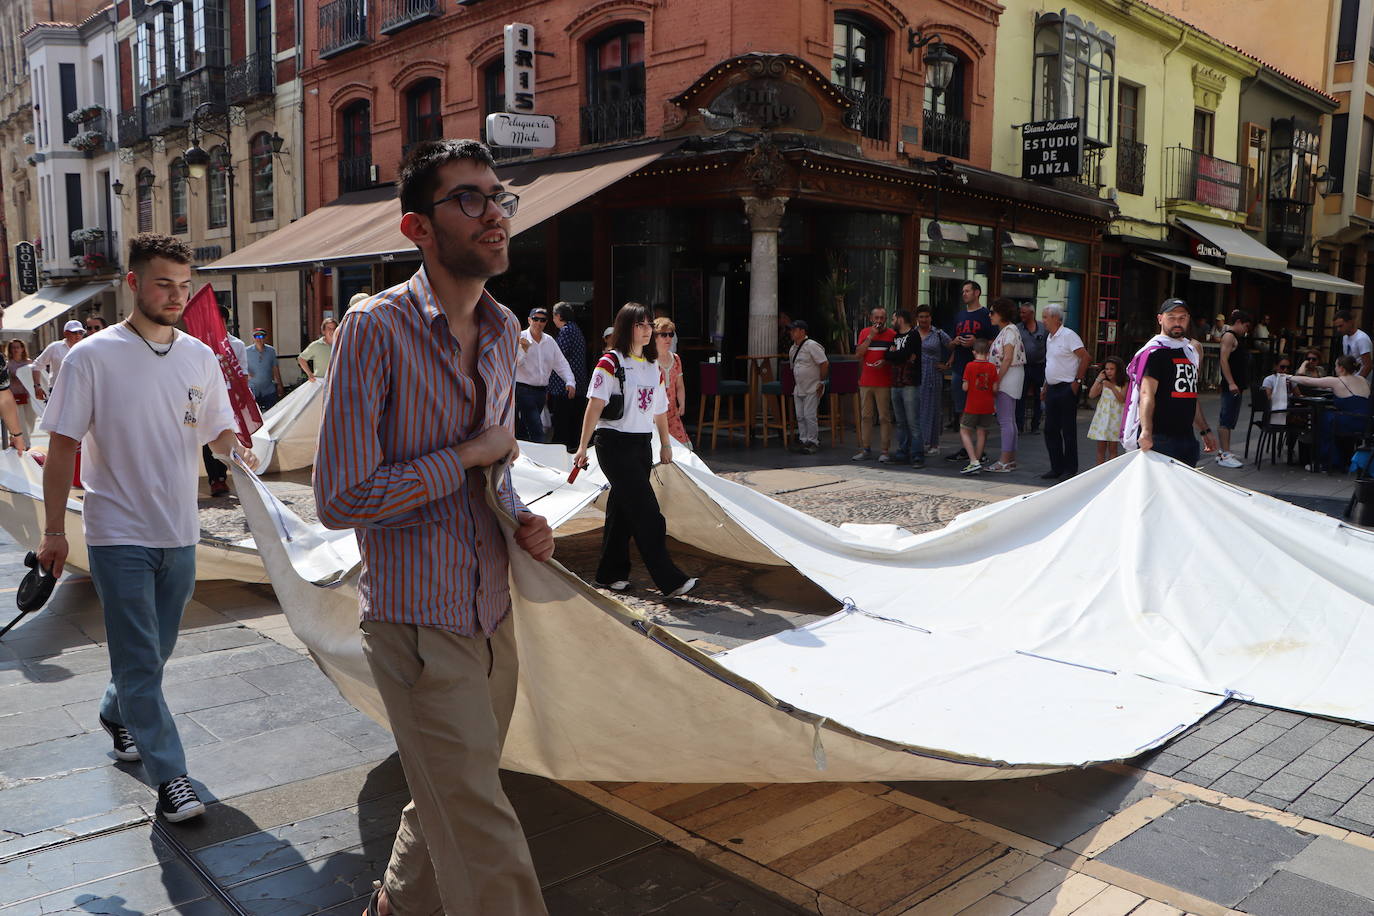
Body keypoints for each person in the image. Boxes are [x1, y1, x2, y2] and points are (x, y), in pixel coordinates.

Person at [314, 139, 554, 916]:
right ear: (419, 227)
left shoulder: (503, 326)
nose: (495, 215)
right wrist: (465, 456)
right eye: (471, 199)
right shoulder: (374, 330)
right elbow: (339, 498)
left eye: (499, 196)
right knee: (481, 826)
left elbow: (497, 467)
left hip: (492, 612)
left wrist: (520, 515)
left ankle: (392, 906)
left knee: (454, 791)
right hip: (418, 624)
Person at [36, 233, 255, 823]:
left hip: (180, 531)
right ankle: (172, 778)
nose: (176, 296)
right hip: (116, 532)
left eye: (184, 286)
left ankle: (116, 710)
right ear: (133, 282)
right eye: (163, 283)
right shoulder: (91, 357)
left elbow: (216, 430)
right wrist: (55, 532)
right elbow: (61, 448)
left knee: (151, 654)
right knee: (139, 657)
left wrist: (240, 458)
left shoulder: (198, 356)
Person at [572, 301, 696, 598]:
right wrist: (581, 448)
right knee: (648, 513)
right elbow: (595, 405)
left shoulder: (654, 366)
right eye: (640, 325)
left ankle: (608, 573)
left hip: (642, 445)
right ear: (627, 327)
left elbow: (660, 410)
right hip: (613, 445)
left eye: (649, 325)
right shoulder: (610, 363)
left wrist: (666, 444)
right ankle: (670, 580)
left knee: (622, 511)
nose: (646, 331)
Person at [1124, 298, 1218, 466]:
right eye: (1171, 317)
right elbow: (1146, 394)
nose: (1177, 322)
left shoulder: (1190, 352)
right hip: (1159, 438)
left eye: (1182, 318)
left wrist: (1205, 430)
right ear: (1160, 318)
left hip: (1187, 437)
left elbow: (1190, 395)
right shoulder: (1154, 353)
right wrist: (1146, 431)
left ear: (1188, 319)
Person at [1290, 355, 1371, 471]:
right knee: (1330, 417)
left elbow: (1308, 381)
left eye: (1336, 366)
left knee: (1323, 419)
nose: (1335, 369)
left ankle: (1326, 462)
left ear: (1341, 368)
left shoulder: (1337, 381)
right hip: (1366, 423)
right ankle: (1343, 459)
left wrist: (1289, 377)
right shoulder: (1363, 380)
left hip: (1349, 421)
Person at [202, 304, 249, 498]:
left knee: (232, 436)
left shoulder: (236, 345)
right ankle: (216, 479)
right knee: (209, 437)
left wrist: (242, 398)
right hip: (208, 400)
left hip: (230, 399)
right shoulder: (202, 346)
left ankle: (233, 474)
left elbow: (243, 373)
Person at [945, 280, 995, 462]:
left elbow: (995, 341)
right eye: (963, 291)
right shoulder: (959, 315)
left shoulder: (985, 315)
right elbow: (950, 343)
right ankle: (965, 448)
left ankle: (979, 451)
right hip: (960, 367)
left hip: (980, 369)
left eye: (967, 291)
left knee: (979, 410)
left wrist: (976, 342)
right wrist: (956, 342)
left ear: (977, 293)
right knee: (961, 409)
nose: (964, 294)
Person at [1040, 305, 1089, 481]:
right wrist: (1045, 386)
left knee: (1068, 430)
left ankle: (1070, 468)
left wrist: (1077, 382)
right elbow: (1050, 363)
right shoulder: (1050, 338)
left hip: (1067, 387)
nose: (1043, 321)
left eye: (1045, 317)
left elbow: (1085, 357)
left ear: (1056, 319)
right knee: (1050, 429)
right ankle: (1056, 467)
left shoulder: (1068, 335)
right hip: (1053, 387)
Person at [514, 306, 575, 443]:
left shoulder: (549, 341)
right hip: (523, 390)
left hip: (541, 392)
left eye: (542, 320)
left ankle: (519, 455)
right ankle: (540, 461)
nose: (539, 323)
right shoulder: (520, 337)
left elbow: (561, 363)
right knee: (536, 429)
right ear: (529, 320)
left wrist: (570, 382)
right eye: (535, 319)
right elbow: (515, 363)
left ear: (546, 322)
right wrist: (523, 348)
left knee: (525, 428)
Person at [987, 298, 1025, 473]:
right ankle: (1009, 459)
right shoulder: (1008, 331)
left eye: (993, 312)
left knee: (1005, 420)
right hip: (1011, 376)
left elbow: (1007, 357)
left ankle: (1004, 460)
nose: (990, 315)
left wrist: (997, 379)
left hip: (1007, 378)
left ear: (1001, 314)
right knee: (1009, 419)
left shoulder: (1009, 331)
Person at [853, 306, 895, 462]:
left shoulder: (892, 334)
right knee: (866, 416)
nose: (879, 321)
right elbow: (858, 354)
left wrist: (885, 361)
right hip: (866, 381)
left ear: (886, 319)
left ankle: (884, 451)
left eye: (882, 318)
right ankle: (866, 449)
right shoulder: (865, 333)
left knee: (884, 417)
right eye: (876, 318)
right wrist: (870, 337)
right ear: (871, 319)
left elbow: (894, 356)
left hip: (884, 381)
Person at [883, 310, 924, 467]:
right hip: (896, 383)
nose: (892, 321)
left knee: (913, 420)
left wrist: (896, 354)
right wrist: (897, 354)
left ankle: (917, 454)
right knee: (900, 421)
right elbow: (887, 355)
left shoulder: (913, 335)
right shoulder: (895, 336)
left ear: (900, 319)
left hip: (910, 383)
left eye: (893, 318)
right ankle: (902, 451)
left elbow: (905, 354)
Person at [1215, 309, 1254, 469]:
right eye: (1245, 326)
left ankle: (1225, 451)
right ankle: (1224, 453)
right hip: (1232, 385)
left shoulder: (1235, 337)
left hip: (1237, 384)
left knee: (1230, 418)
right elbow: (1223, 360)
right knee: (1226, 418)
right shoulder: (1229, 336)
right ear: (1238, 322)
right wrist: (1231, 382)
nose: (1246, 330)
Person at [548, 302, 588, 452]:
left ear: (558, 316)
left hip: (566, 385)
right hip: (578, 383)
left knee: (563, 420)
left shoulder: (566, 331)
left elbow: (557, 356)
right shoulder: (576, 329)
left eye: (553, 316)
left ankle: (561, 448)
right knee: (574, 420)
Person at [787, 319, 828, 454]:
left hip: (812, 386)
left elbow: (824, 363)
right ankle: (803, 439)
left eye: (794, 330)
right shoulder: (793, 348)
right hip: (799, 387)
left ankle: (813, 441)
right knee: (800, 415)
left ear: (802, 331)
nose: (791, 332)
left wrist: (821, 382)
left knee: (809, 415)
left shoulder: (812, 345)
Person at [915, 305, 950, 456]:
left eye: (926, 316)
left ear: (930, 317)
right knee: (917, 409)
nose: (924, 319)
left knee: (933, 408)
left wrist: (947, 364)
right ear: (917, 318)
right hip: (916, 374)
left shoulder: (938, 333)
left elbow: (953, 346)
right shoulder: (912, 333)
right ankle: (919, 442)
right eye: (921, 316)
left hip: (933, 375)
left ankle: (934, 444)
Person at [958, 338, 998, 474]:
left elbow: (965, 387)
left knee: (964, 430)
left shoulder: (969, 366)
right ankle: (978, 460)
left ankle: (973, 461)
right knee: (982, 432)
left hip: (972, 405)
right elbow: (995, 388)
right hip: (988, 406)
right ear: (988, 353)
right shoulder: (992, 367)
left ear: (974, 352)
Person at [654, 317, 691, 447]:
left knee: (684, 450)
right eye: (663, 335)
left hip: (672, 413)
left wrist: (682, 403)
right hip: (654, 416)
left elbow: (679, 385)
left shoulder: (676, 359)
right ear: (655, 337)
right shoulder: (649, 361)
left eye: (671, 334)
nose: (668, 338)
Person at [1087, 356, 1127, 464]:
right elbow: (1091, 395)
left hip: (1115, 420)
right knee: (1100, 449)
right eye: (1107, 369)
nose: (1109, 372)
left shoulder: (1123, 383)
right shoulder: (1103, 382)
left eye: (1112, 369)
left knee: (1113, 449)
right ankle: (1099, 472)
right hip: (1103, 419)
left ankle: (1111, 472)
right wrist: (1098, 379)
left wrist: (1112, 387)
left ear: (1118, 370)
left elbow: (1122, 399)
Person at [33, 319, 87, 397]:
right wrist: (37, 386)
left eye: (80, 333)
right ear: (66, 333)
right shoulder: (55, 347)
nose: (78, 335)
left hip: (81, 390)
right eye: (74, 333)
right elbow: (36, 365)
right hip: (57, 391)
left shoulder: (86, 348)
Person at [1017, 303, 1047, 434]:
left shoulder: (1043, 327)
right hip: (1023, 366)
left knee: (1038, 396)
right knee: (1020, 396)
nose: (1021, 315)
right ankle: (1019, 425)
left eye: (1024, 313)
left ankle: (1035, 425)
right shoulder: (1017, 328)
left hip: (1040, 366)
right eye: (1021, 312)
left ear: (1032, 314)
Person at [245, 327, 284, 412]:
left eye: (261, 336)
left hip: (268, 389)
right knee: (255, 415)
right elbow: (240, 366)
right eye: (256, 337)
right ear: (253, 338)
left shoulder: (271, 351)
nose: (259, 339)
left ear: (265, 338)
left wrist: (280, 385)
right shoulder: (246, 351)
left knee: (272, 413)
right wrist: (246, 373)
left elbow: (275, 368)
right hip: (253, 389)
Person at [6, 339, 37, 435]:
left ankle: (25, 436)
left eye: (17, 347)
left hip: (28, 395)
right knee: (20, 420)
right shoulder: (8, 364)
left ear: (22, 349)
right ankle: (26, 443)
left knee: (31, 419)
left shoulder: (29, 362)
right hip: (15, 395)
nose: (15, 350)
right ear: (10, 350)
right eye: (13, 347)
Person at [1335, 309, 1373, 380]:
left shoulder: (1361, 338)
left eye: (1341, 326)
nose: (1338, 329)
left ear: (1350, 322)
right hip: (1350, 377)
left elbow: (1367, 365)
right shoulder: (1345, 337)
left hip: (1361, 379)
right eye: (1337, 327)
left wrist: (1358, 381)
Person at [296, 317, 337, 382]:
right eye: (329, 328)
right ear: (323, 331)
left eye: (334, 328)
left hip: (338, 382)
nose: (332, 331)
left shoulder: (341, 345)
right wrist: (309, 374)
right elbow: (301, 359)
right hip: (321, 382)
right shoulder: (316, 345)